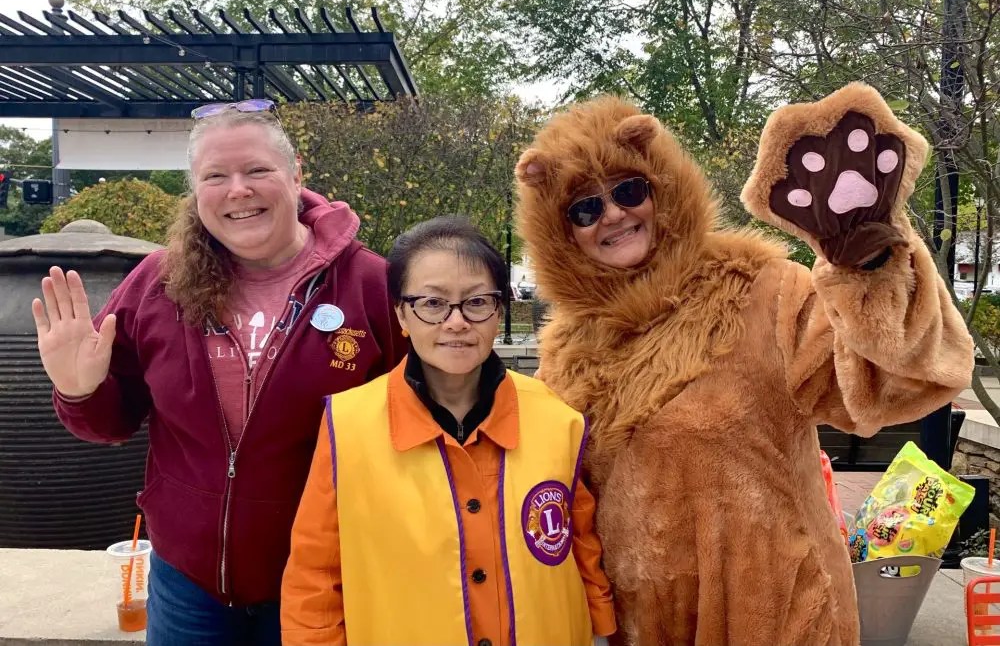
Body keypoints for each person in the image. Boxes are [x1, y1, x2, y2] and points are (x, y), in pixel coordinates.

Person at [513, 86, 974, 645]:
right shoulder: (565, 353)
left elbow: (890, 385)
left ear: (661, 187)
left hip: (771, 610)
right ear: (558, 232)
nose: (613, 213)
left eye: (629, 189)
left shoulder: (762, 290)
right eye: (584, 208)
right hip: (640, 626)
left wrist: (869, 265)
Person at [31, 99, 407, 645]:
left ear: (295, 173)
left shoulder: (371, 286)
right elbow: (108, 425)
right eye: (215, 176)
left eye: (257, 170)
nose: (238, 189)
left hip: (326, 576)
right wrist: (78, 388)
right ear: (195, 190)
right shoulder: (157, 282)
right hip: (189, 585)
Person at [280, 216, 617, 646]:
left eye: (477, 302)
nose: (456, 322)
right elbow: (316, 574)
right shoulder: (348, 426)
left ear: (499, 311)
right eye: (433, 304)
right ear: (402, 313)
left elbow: (581, 545)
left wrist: (603, 630)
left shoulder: (557, 419)